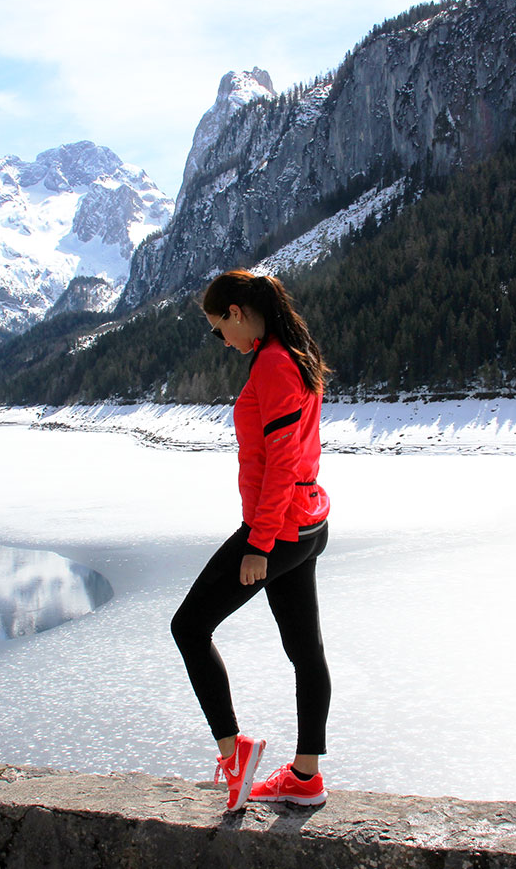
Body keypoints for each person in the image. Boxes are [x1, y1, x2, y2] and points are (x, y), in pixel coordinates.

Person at [170, 268, 332, 812]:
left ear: (236, 314)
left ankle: (235, 754)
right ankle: (304, 779)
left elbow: (282, 462)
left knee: (189, 627)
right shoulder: (293, 352)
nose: (221, 341)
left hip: (280, 528)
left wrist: (259, 546)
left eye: (218, 329)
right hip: (307, 522)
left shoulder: (274, 365)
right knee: (305, 650)